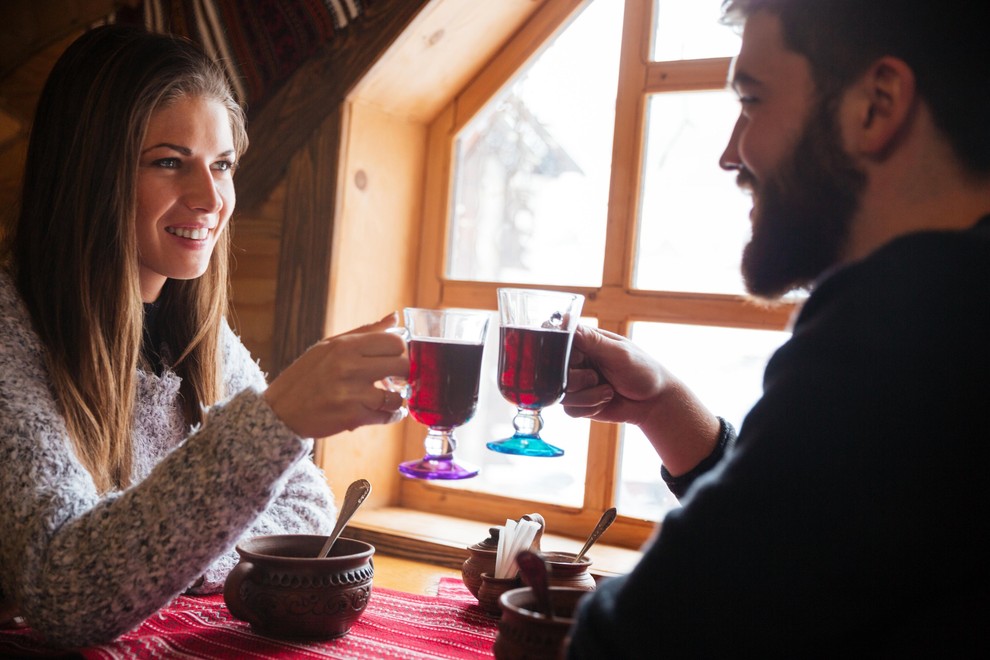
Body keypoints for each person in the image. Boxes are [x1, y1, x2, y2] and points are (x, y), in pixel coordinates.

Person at [563, 0, 990, 656]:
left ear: (877, 104)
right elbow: (820, 545)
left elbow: (639, 639)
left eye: (753, 102)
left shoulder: (911, 316)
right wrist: (670, 412)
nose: (731, 154)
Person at [0, 25, 408, 648]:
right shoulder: (10, 334)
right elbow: (66, 593)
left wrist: (149, 553)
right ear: (87, 172)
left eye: (222, 165)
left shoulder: (199, 336)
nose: (210, 197)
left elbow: (308, 511)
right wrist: (275, 421)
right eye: (169, 162)